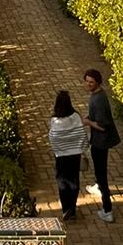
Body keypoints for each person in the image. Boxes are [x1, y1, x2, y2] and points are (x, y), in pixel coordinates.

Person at [82, 67, 121, 222]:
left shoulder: (97, 100)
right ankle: (98, 186)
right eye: (87, 82)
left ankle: (107, 209)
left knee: (101, 173)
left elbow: (102, 125)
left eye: (91, 82)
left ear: (97, 82)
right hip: (99, 141)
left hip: (100, 142)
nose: (88, 84)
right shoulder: (99, 94)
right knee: (100, 170)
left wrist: (88, 122)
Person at [47, 90, 87, 220]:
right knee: (74, 180)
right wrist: (81, 148)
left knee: (62, 181)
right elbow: (82, 134)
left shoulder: (55, 120)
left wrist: (57, 150)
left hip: (61, 156)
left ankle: (65, 209)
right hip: (75, 155)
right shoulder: (75, 116)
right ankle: (72, 209)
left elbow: (53, 137)